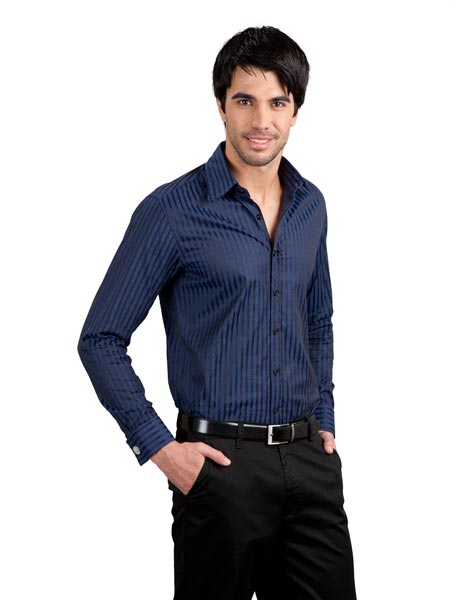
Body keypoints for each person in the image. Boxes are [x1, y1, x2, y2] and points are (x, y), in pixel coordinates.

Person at [78, 25, 357, 600]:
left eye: (277, 102)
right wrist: (161, 449)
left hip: (309, 463)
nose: (261, 120)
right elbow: (100, 338)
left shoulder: (311, 206)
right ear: (221, 106)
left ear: (296, 111)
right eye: (245, 101)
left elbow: (318, 319)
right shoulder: (171, 211)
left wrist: (325, 417)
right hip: (218, 469)